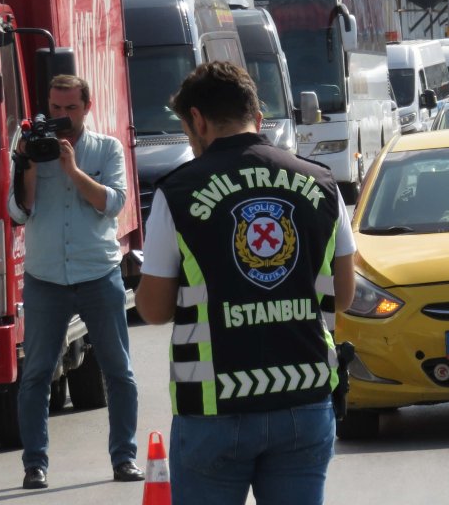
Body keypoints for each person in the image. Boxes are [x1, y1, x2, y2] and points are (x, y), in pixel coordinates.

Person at [135, 61, 355, 505]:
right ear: (254, 114)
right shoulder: (322, 183)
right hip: (305, 396)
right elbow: (344, 295)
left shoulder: (177, 192)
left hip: (215, 408)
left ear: (198, 119)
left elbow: (154, 310)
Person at [8, 74, 141, 490]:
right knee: (35, 375)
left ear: (87, 107)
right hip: (45, 277)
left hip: (96, 273)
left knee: (119, 372)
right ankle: (35, 466)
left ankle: (125, 458)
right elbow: (17, 212)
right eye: (55, 108)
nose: (61, 117)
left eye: (70, 109)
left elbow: (112, 203)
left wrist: (72, 169)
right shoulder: (31, 147)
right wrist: (27, 165)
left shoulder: (107, 148)